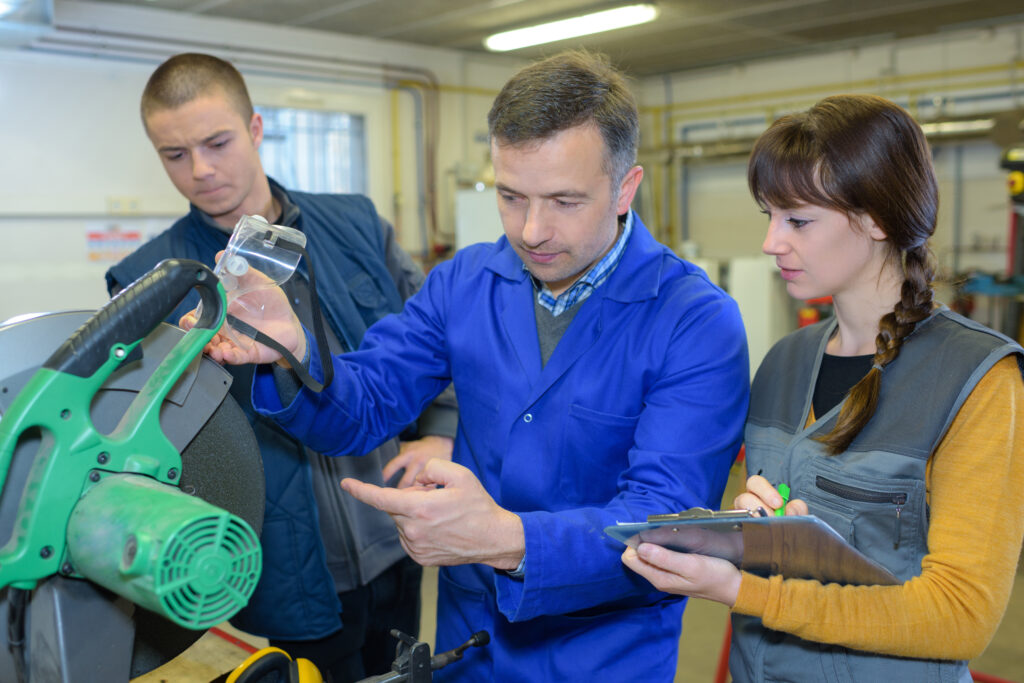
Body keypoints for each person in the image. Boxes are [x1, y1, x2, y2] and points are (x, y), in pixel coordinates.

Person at [186, 50, 750, 681]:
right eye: (511, 196)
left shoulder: (695, 322)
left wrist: (505, 540)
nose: (532, 230)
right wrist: (289, 350)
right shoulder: (463, 282)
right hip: (469, 647)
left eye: (564, 200)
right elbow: (365, 401)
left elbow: (667, 526)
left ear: (625, 187)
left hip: (603, 654)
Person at [621, 94, 1024, 682]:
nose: (771, 242)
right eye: (769, 217)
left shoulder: (977, 379)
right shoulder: (785, 363)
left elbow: (960, 616)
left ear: (877, 218)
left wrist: (743, 589)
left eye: (799, 221)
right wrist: (747, 537)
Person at [105, 53, 458, 682]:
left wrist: (441, 429)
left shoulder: (354, 223)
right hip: (289, 562)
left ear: (256, 127)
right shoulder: (147, 282)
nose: (202, 170)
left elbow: (430, 337)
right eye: (175, 154)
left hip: (398, 528)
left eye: (217, 142)